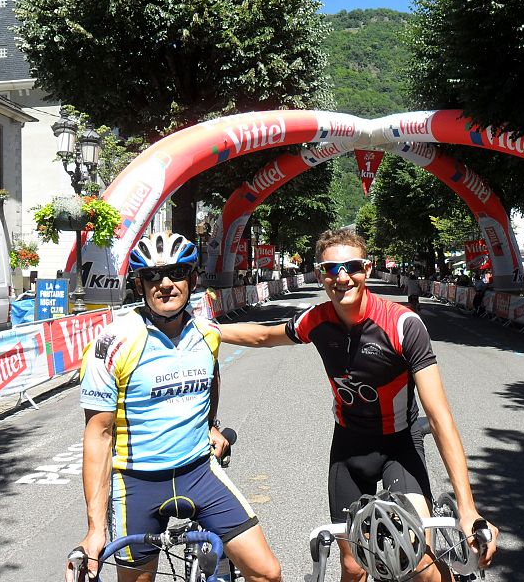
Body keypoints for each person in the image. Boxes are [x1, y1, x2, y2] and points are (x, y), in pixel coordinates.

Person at [219, 229, 498, 582]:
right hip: (349, 447)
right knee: (352, 565)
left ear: (366, 268)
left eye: (351, 266)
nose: (342, 277)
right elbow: (263, 336)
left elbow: (440, 417)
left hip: (400, 445)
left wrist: (468, 508)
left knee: (417, 561)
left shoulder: (403, 325)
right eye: (330, 269)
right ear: (319, 274)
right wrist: (207, 329)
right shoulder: (316, 320)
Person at [67, 232, 281, 582]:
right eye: (152, 275)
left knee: (267, 573)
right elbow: (98, 436)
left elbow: (211, 377)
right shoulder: (113, 342)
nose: (165, 284)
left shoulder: (206, 333)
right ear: (139, 285)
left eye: (176, 273)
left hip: (199, 473)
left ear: (192, 280)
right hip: (136, 484)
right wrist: (94, 529)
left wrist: (210, 425)